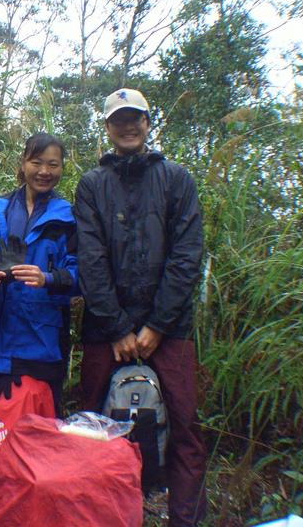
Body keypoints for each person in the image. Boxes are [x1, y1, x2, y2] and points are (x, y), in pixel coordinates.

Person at [74, 88, 206, 526]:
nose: (128, 126)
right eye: (119, 119)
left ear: (148, 123)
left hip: (170, 329)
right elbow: (90, 258)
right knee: (93, 425)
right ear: (108, 128)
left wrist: (157, 326)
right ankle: (100, 515)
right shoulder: (92, 185)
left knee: (184, 426)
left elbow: (187, 255)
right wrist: (117, 327)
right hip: (104, 329)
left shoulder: (177, 179)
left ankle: (184, 519)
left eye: (135, 118)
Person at [0, 132, 78, 409]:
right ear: (23, 163)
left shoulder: (69, 219)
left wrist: (48, 278)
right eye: (37, 162)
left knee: (37, 426)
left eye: (53, 164)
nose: (44, 171)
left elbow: (83, 272)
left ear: (62, 168)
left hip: (41, 345)